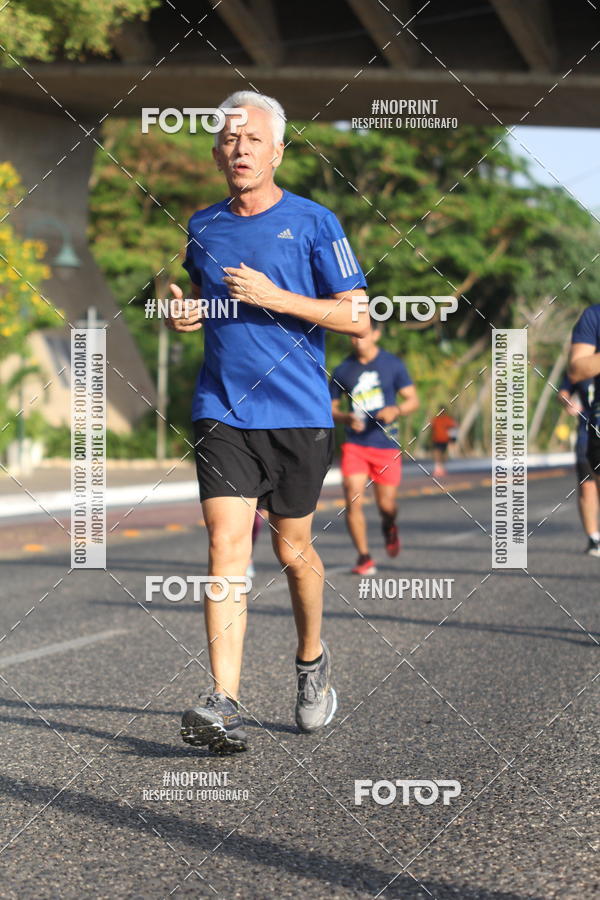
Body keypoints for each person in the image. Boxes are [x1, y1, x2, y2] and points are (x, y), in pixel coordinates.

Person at [166, 90, 369, 754]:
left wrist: (278, 297)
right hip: (222, 407)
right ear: (216, 150)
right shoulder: (202, 226)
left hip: (299, 412)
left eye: (252, 139)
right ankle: (224, 701)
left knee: (292, 551)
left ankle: (311, 662)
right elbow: (205, 301)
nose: (239, 149)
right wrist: (188, 313)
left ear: (278, 149)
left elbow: (357, 316)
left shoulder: (316, 222)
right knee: (227, 543)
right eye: (228, 139)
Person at [330, 319, 418, 575]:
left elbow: (413, 399)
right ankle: (364, 556)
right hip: (356, 445)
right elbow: (331, 407)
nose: (358, 340)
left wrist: (396, 409)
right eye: (353, 335)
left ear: (377, 335)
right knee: (352, 498)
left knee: (386, 505)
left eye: (363, 335)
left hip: (386, 445)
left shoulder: (392, 364)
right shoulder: (343, 370)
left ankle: (389, 526)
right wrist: (345, 418)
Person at [569, 304, 600, 556]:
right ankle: (593, 538)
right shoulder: (594, 316)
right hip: (590, 425)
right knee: (588, 484)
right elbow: (575, 370)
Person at [557, 374, 600, 556]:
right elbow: (563, 392)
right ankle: (593, 539)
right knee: (587, 486)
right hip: (587, 434)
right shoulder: (581, 366)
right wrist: (568, 402)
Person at [430, 411, 457, 477]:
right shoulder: (437, 419)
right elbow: (431, 428)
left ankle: (440, 469)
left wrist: (453, 439)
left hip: (443, 439)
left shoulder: (445, 419)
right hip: (438, 439)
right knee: (438, 453)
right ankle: (438, 469)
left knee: (441, 453)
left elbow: (453, 427)